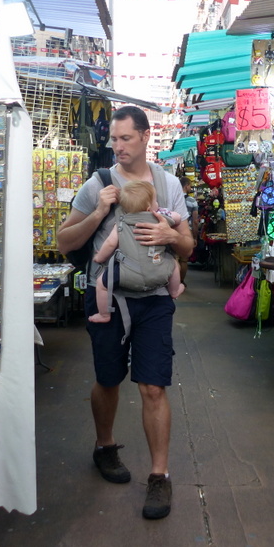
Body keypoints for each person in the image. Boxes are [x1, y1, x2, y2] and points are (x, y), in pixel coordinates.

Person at [57, 105, 193, 520]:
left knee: (153, 386)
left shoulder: (169, 186)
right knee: (108, 379)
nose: (117, 146)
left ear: (146, 136)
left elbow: (188, 247)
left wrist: (172, 234)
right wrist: (99, 212)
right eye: (113, 139)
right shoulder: (97, 183)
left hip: (153, 299)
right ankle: (105, 446)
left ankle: (159, 475)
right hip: (109, 297)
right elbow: (65, 241)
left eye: (125, 138)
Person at [89, 180, 184, 324]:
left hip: (126, 274)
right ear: (148, 207)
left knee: (101, 284)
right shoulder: (161, 217)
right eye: (155, 201)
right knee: (174, 264)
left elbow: (109, 244)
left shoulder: (121, 221)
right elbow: (177, 218)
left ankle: (104, 314)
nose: (157, 204)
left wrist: (99, 258)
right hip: (158, 271)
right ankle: (174, 290)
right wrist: (167, 214)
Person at [178, 177, 199, 284]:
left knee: (174, 258)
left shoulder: (173, 198)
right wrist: (195, 236)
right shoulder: (192, 201)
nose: (190, 188)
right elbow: (195, 221)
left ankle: (173, 281)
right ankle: (181, 281)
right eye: (190, 185)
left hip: (174, 230)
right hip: (187, 231)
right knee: (184, 259)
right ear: (186, 186)